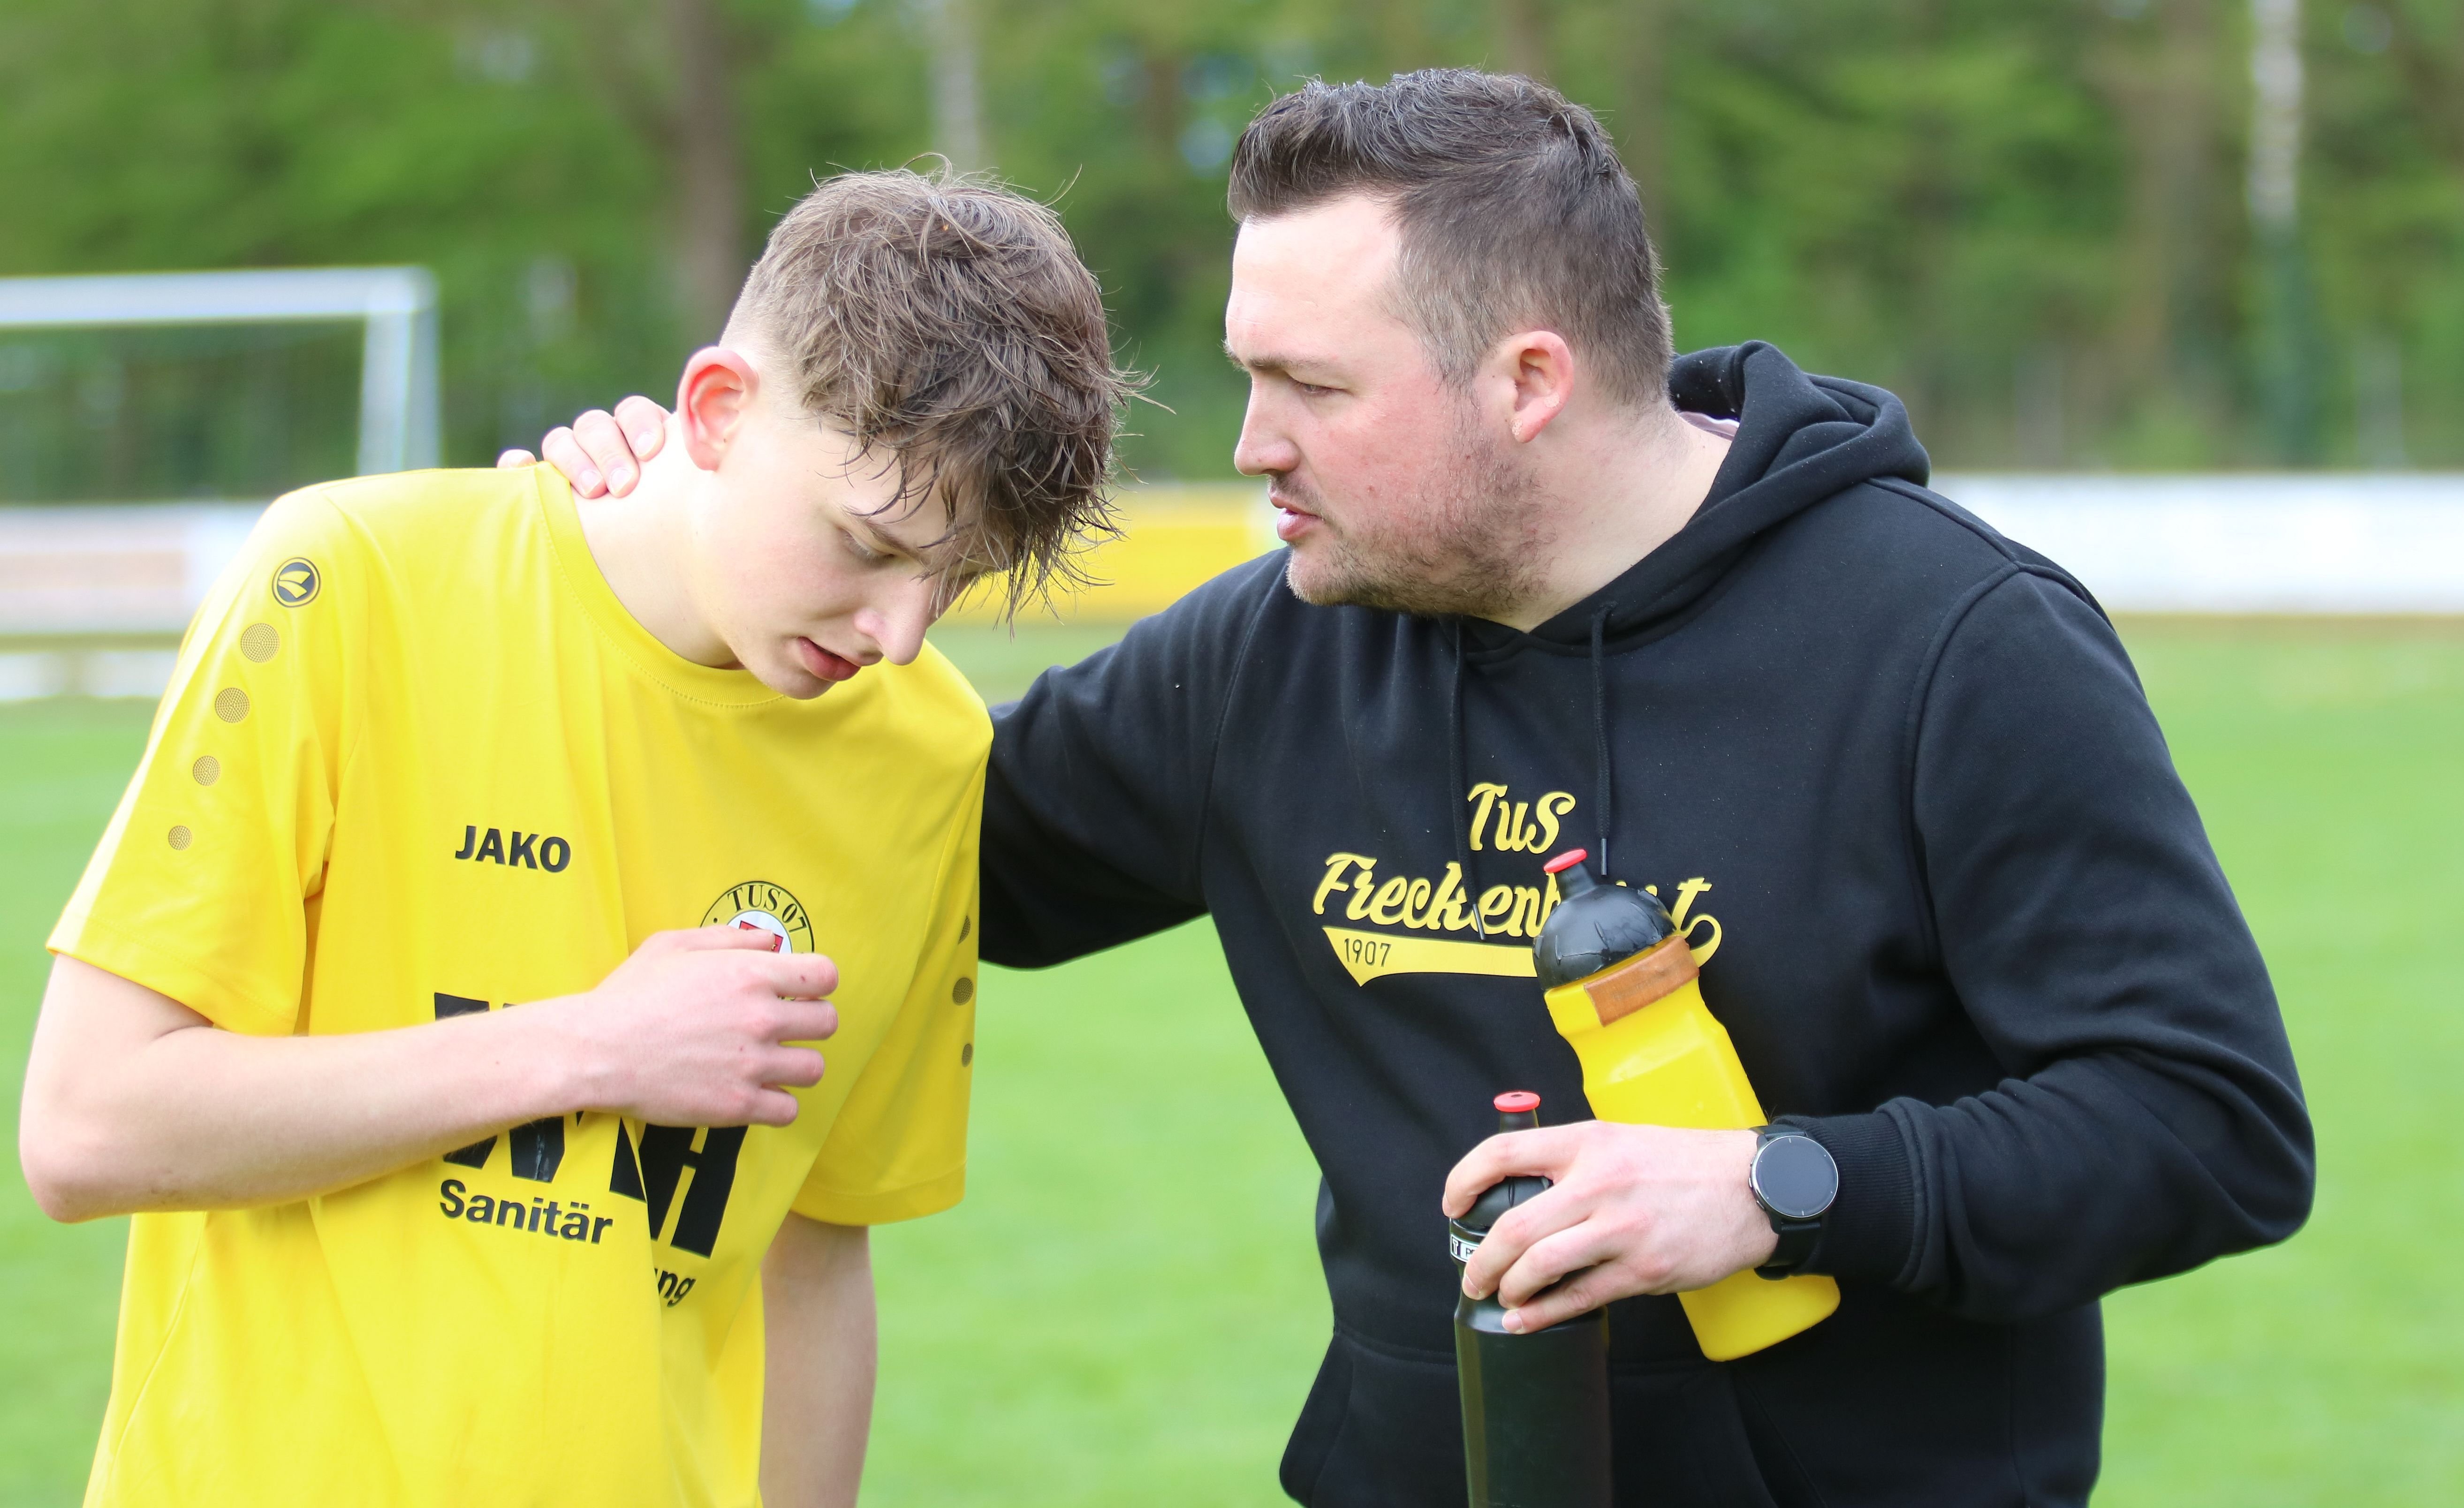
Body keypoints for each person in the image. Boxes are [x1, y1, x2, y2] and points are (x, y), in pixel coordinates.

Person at [524, 72, 2314, 1508]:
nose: (1250, 448)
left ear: (1528, 379)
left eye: (1309, 386)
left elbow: (2207, 1124)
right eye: (1246, 375)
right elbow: (898, 843)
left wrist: (1776, 1189)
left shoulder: (1952, 644)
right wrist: (684, 551)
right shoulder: (1269, 656)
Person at [18, 167, 1127, 1508]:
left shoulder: (927, 748)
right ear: (717, 412)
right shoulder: (348, 580)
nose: (899, 632)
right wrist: (589, 1048)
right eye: (867, 543)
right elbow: (86, 1131)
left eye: (955, 582)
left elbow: (817, 1263)